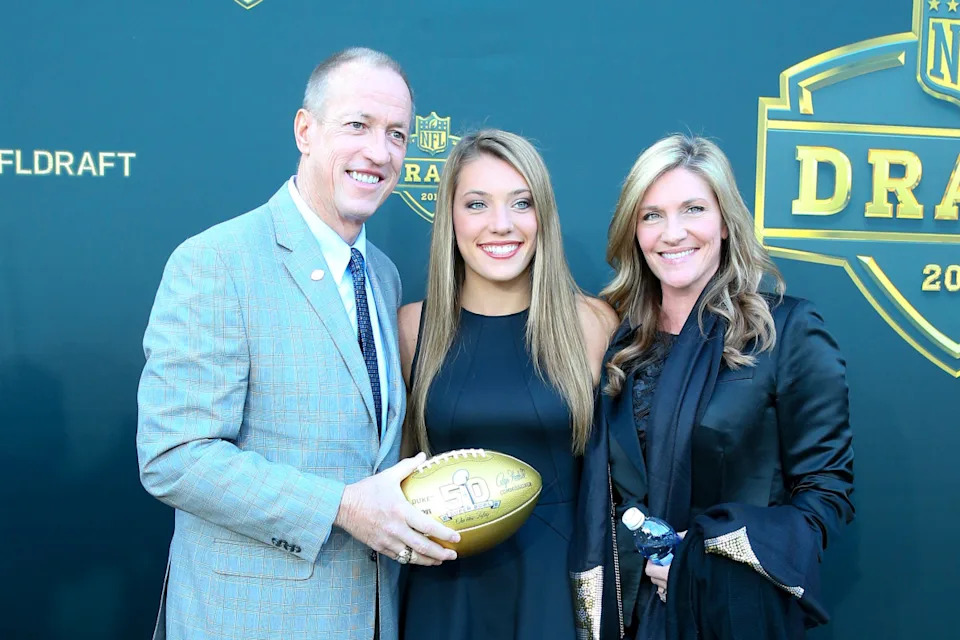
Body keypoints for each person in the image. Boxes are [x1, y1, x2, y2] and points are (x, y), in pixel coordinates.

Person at [136, 47, 460, 640]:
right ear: (305, 130)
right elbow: (174, 457)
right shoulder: (217, 262)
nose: (379, 152)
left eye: (396, 134)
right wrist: (344, 507)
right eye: (357, 125)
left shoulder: (382, 276)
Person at [571, 135, 854, 640]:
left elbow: (825, 496)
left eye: (693, 209)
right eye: (652, 215)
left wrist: (703, 556)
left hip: (729, 615)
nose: (672, 232)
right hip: (623, 616)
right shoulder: (614, 339)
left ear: (725, 222)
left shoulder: (785, 332)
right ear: (634, 231)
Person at [396, 129, 618, 639]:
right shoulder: (413, 328)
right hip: (443, 591)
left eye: (522, 203)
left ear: (544, 217)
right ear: (451, 219)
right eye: (477, 204)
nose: (502, 225)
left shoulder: (592, 324)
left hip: (555, 589)